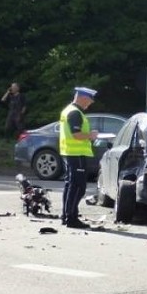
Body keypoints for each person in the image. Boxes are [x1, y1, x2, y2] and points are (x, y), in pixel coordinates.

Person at [59, 86, 99, 229]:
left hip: (69, 152)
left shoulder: (69, 110)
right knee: (78, 187)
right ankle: (71, 218)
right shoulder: (75, 113)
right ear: (82, 98)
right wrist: (91, 135)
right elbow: (76, 135)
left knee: (70, 185)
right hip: (76, 154)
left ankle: (66, 216)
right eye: (89, 100)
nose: (90, 103)